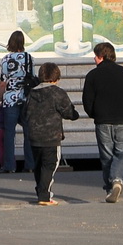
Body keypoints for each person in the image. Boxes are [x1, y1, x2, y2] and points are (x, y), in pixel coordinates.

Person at [81, 41, 123, 203]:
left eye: (95, 56)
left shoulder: (92, 75)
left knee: (107, 156)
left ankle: (110, 187)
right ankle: (117, 181)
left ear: (101, 57)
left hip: (102, 121)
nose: (94, 59)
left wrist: (95, 115)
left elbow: (87, 100)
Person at [22, 63, 77, 205]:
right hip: (51, 136)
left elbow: (24, 113)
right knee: (50, 165)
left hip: (34, 136)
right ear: (56, 77)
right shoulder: (57, 92)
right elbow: (68, 112)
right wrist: (74, 114)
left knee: (38, 166)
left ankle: (41, 191)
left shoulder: (31, 93)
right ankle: (45, 196)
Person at [0, 31, 36, 174]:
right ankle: (30, 165)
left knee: (9, 133)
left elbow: (2, 83)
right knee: (28, 132)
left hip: (10, 99)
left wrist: (0, 99)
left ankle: (9, 166)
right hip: (26, 99)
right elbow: (33, 78)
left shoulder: (6, 59)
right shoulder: (29, 58)